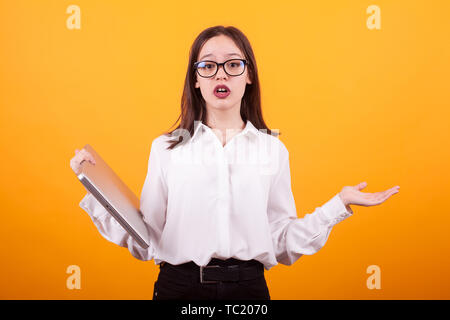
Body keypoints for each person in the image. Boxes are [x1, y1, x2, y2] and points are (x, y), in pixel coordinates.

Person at [70, 25, 400, 300]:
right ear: (195, 80)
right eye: (207, 66)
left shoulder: (273, 150)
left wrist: (338, 204)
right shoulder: (166, 149)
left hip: (249, 292)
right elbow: (147, 240)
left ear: (249, 75)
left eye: (232, 64)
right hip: (180, 290)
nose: (220, 75)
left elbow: (281, 243)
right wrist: (95, 190)